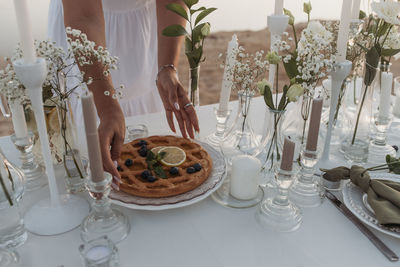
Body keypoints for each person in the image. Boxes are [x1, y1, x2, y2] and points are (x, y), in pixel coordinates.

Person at [48, 0, 200, 180]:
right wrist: (107, 108)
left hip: (143, 28)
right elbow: (84, 16)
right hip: (84, 29)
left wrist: (167, 68)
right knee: (91, 146)